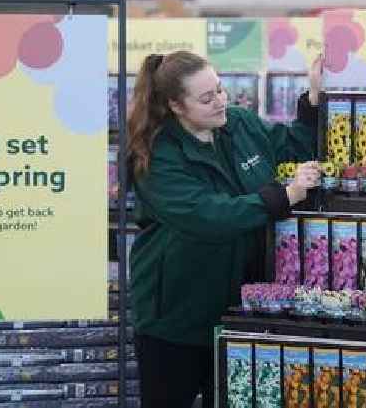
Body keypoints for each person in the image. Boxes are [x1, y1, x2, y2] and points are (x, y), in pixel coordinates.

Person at [127, 50, 322, 408]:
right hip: (176, 316)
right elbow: (208, 216)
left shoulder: (240, 124)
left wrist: (313, 99)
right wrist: (285, 195)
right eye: (206, 98)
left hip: (239, 310)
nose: (220, 101)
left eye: (219, 90)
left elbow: (293, 143)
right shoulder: (156, 156)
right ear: (176, 105)